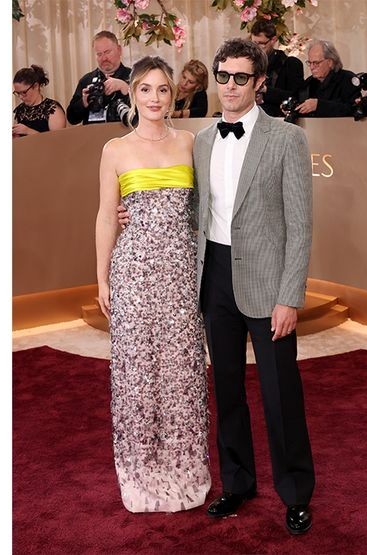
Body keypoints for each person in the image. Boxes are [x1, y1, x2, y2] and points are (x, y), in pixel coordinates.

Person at [120, 38, 316, 535]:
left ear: (260, 83)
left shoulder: (286, 139)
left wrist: (289, 295)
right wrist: (132, 213)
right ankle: (238, 482)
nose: (230, 85)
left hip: (268, 284)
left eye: (241, 78)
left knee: (279, 394)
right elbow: (188, 208)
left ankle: (295, 493)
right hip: (213, 278)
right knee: (227, 390)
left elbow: (301, 226)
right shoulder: (201, 140)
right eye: (223, 75)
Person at [94, 56, 211, 513]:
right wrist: (101, 277)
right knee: (137, 376)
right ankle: (140, 475)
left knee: (182, 374)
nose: (155, 98)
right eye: (145, 89)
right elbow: (106, 215)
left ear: (173, 93)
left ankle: (185, 471)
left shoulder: (190, 143)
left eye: (162, 89)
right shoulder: (115, 149)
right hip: (133, 273)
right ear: (132, 92)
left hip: (182, 274)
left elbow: (206, 209)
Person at [67, 31, 132, 126]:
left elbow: (145, 114)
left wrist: (125, 89)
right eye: (99, 54)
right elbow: (72, 119)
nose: (104, 58)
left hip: (124, 137)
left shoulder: (134, 77)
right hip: (93, 138)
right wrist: (84, 102)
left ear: (119, 50)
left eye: (107, 52)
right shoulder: (86, 80)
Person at [249, 19, 305, 118]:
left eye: (261, 44)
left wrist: (265, 90)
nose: (256, 49)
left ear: (273, 40)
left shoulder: (290, 64)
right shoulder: (250, 64)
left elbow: (297, 97)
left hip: (279, 120)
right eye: (254, 43)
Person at [293, 39, 357, 118]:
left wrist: (319, 105)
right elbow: (298, 100)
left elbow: (353, 109)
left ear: (330, 62)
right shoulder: (310, 82)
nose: (312, 67)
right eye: (310, 63)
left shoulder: (347, 79)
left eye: (316, 63)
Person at [12, 65, 66, 137]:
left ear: (36, 86)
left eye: (24, 92)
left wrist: (28, 131)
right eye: (18, 93)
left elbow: (58, 141)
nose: (20, 97)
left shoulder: (52, 109)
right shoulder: (20, 110)